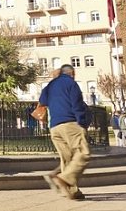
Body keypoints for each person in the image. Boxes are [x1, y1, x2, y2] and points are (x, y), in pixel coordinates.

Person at [39, 64, 90, 200]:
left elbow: (42, 101)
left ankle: (72, 191)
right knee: (83, 153)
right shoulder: (71, 83)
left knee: (67, 158)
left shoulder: (50, 85)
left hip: (54, 127)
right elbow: (77, 104)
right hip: (70, 124)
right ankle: (64, 178)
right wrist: (82, 123)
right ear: (72, 73)